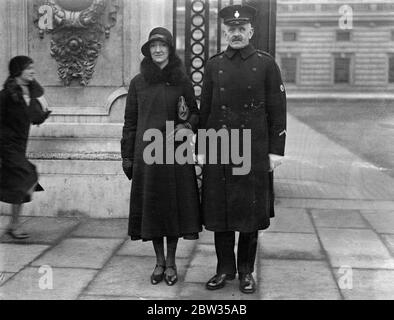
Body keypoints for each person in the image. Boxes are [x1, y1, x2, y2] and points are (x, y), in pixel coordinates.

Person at [199, 5, 287, 294]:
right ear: (224, 32)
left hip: (253, 148)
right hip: (221, 148)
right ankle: (224, 269)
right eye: (231, 29)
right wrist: (202, 147)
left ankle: (247, 271)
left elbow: (278, 110)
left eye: (241, 29)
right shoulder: (213, 65)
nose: (236, 33)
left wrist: (276, 151)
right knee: (221, 211)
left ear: (251, 31)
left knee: (250, 214)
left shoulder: (265, 64)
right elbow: (205, 109)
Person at [121, 27, 201, 286]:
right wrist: (127, 156)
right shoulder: (138, 82)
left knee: (173, 208)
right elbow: (130, 122)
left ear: (169, 49)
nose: (157, 50)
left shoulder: (181, 81)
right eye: (153, 46)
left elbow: (195, 113)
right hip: (148, 156)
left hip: (176, 154)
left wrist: (186, 126)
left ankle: (172, 261)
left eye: (162, 45)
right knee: (153, 210)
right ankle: (159, 262)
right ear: (148, 50)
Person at [0, 56, 51, 239]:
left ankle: (14, 225)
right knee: (27, 174)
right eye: (29, 68)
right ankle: (14, 224)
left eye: (33, 68)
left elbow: (35, 117)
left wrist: (43, 114)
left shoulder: (30, 92)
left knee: (17, 183)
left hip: (20, 145)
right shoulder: (6, 95)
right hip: (6, 146)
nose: (33, 71)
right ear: (18, 71)